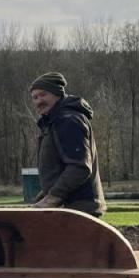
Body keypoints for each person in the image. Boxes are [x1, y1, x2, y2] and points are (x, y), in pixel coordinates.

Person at [28, 72, 106, 216]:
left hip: (79, 208)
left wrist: (52, 197)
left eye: (43, 95)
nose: (39, 101)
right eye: (35, 97)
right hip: (69, 207)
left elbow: (80, 167)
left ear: (57, 94)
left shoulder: (68, 121)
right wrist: (46, 194)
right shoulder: (53, 122)